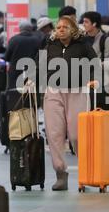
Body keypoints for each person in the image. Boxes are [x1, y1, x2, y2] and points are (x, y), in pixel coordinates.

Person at [40, 16, 98, 191]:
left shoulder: (83, 45)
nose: (61, 29)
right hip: (53, 91)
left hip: (76, 90)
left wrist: (94, 78)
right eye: (58, 27)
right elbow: (39, 64)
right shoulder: (49, 45)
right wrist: (31, 79)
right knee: (54, 133)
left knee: (76, 134)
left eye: (65, 27)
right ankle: (60, 173)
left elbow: (94, 62)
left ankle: (87, 171)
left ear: (73, 29)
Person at [82, 11, 109, 110]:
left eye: (86, 22)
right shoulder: (82, 40)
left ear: (94, 24)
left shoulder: (106, 41)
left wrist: (94, 64)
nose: (83, 24)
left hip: (103, 85)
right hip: (86, 85)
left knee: (104, 113)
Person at [5, 21, 42, 89]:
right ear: (31, 29)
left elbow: (7, 57)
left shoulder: (13, 40)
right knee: (31, 94)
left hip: (15, 72)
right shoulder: (37, 40)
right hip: (32, 72)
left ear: (20, 29)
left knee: (15, 94)